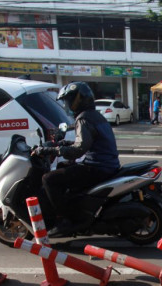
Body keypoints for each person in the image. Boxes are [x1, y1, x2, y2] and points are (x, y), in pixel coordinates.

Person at [31, 81, 121, 236]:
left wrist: (50, 150)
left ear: (78, 100)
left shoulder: (83, 118)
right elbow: (86, 142)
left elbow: (78, 150)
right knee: (62, 169)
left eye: (68, 100)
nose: (67, 105)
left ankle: (67, 220)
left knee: (48, 179)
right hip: (106, 165)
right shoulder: (96, 116)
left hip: (97, 167)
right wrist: (63, 143)